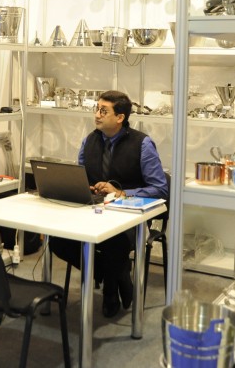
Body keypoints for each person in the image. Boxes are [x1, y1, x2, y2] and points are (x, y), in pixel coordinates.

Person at [49, 90, 168, 318]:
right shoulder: (89, 140)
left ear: (120, 117)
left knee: (114, 243)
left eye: (104, 111)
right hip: (92, 212)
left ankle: (110, 291)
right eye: (97, 109)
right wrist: (86, 188)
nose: (97, 115)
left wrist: (122, 192)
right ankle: (118, 275)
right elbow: (81, 177)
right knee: (58, 240)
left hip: (130, 218)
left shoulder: (142, 144)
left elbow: (160, 188)